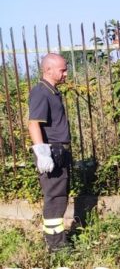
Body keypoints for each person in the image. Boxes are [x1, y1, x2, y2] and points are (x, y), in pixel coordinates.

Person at [28, 53, 72, 251]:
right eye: (62, 70)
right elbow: (33, 123)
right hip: (51, 152)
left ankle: (58, 240)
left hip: (59, 151)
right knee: (54, 198)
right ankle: (56, 245)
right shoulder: (41, 92)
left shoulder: (52, 92)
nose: (65, 73)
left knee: (60, 197)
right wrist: (42, 152)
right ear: (48, 70)